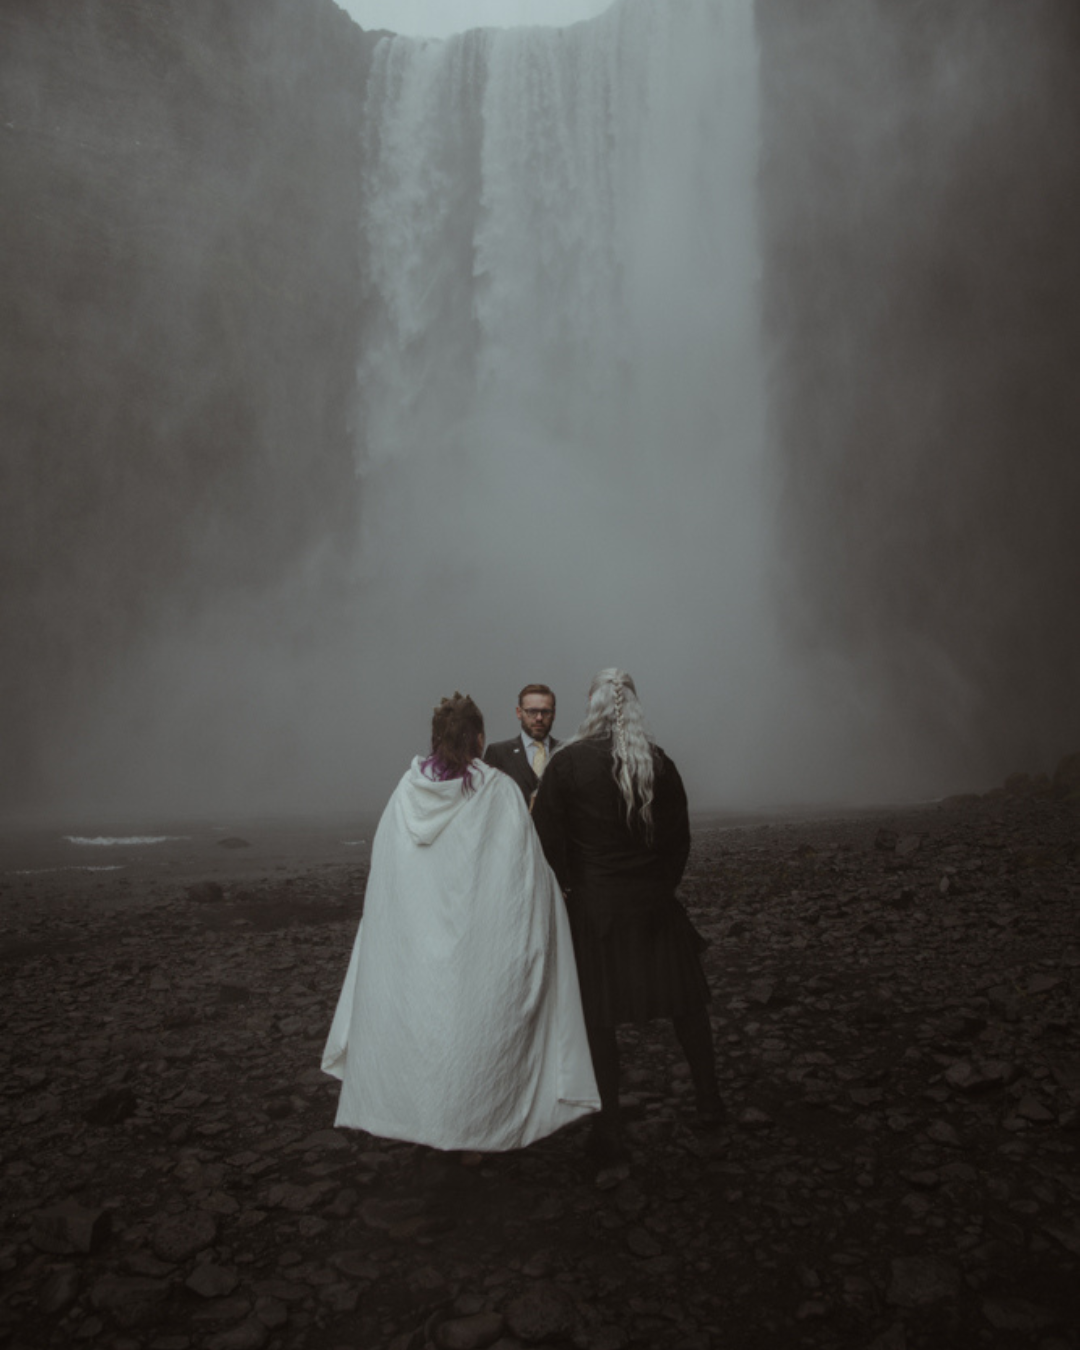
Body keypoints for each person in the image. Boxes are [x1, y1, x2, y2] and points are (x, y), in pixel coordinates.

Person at [321, 692, 599, 1152]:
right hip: (476, 944)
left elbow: (388, 873)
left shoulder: (404, 793)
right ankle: (473, 1129)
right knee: (473, 1027)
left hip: (417, 943)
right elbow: (523, 873)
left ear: (436, 739)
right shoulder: (497, 791)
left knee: (423, 1025)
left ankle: (418, 1117)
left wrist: (403, 929)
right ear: (480, 738)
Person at [532, 669, 724, 1165]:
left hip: (595, 909)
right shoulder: (658, 763)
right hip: (653, 904)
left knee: (598, 1019)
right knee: (686, 1004)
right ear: (633, 707)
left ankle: (609, 1128)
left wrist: (573, 888)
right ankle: (710, 1102)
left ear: (591, 706)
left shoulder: (566, 764)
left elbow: (547, 843)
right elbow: (679, 841)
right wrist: (659, 886)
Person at [483, 683, 559, 807]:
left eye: (545, 712)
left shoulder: (566, 752)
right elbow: (488, 802)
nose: (539, 718)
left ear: (554, 714)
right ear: (519, 712)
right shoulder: (499, 754)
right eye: (532, 712)